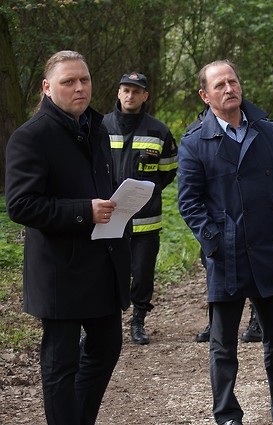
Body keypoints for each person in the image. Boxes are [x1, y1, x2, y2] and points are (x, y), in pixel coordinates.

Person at [177, 59, 273, 425]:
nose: (229, 89)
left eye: (233, 81)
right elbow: (189, 203)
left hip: (271, 248)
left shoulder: (267, 131)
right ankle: (227, 414)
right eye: (220, 85)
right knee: (223, 344)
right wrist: (213, 242)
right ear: (205, 95)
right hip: (226, 255)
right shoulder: (194, 142)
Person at [5, 50, 131, 425]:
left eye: (84, 80)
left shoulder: (97, 128)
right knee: (61, 364)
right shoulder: (30, 137)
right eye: (69, 82)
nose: (79, 88)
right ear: (47, 88)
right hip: (59, 270)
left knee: (107, 346)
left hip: (102, 263)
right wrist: (83, 211)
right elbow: (21, 206)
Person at [102, 71, 178, 345]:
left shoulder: (159, 130)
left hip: (146, 218)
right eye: (126, 90)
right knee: (106, 272)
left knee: (143, 273)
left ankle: (138, 320)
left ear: (145, 96)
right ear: (118, 92)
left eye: (136, 91)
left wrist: (146, 193)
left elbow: (168, 170)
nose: (130, 95)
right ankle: (103, 323)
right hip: (109, 216)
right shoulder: (101, 127)